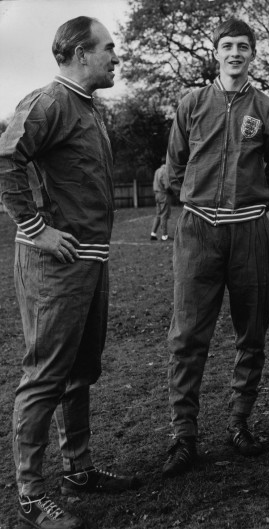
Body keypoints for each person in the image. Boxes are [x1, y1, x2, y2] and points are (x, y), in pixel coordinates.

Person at [0, 16, 139, 529]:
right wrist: (36, 228)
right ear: (81, 54)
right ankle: (31, 492)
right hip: (53, 264)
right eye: (108, 49)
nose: (114, 57)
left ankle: (77, 468)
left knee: (82, 370)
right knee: (45, 375)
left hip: (89, 262)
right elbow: (5, 159)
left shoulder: (88, 107)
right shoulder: (47, 102)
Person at [163, 19, 269, 478]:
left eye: (243, 46)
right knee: (186, 337)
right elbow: (175, 165)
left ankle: (239, 421)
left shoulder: (268, 110)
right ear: (214, 52)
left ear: (253, 54)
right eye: (227, 46)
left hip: (249, 233)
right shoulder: (192, 103)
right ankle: (184, 435)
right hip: (198, 232)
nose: (234, 53)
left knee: (251, 332)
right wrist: (198, 202)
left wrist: (250, 207)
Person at [150, 159, 173, 241]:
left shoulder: (157, 171)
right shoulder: (165, 171)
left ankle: (153, 233)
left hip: (156, 194)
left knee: (158, 214)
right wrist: (173, 192)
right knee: (164, 215)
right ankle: (164, 235)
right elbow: (166, 186)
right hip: (163, 195)